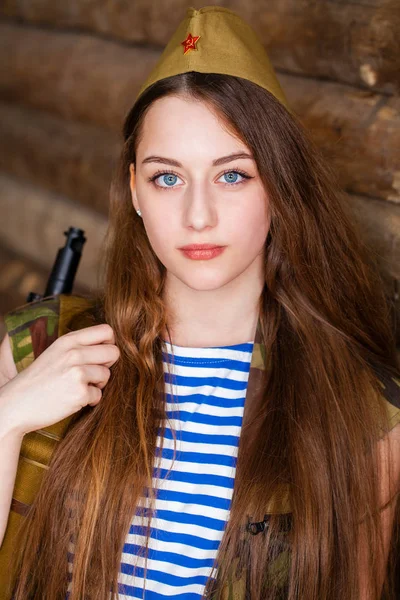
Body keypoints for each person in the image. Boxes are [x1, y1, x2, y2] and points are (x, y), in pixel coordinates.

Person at [0, 5, 400, 600]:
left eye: (233, 175)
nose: (198, 215)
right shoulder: (42, 347)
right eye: (168, 177)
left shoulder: (363, 413)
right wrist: (7, 417)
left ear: (280, 185)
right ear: (135, 189)